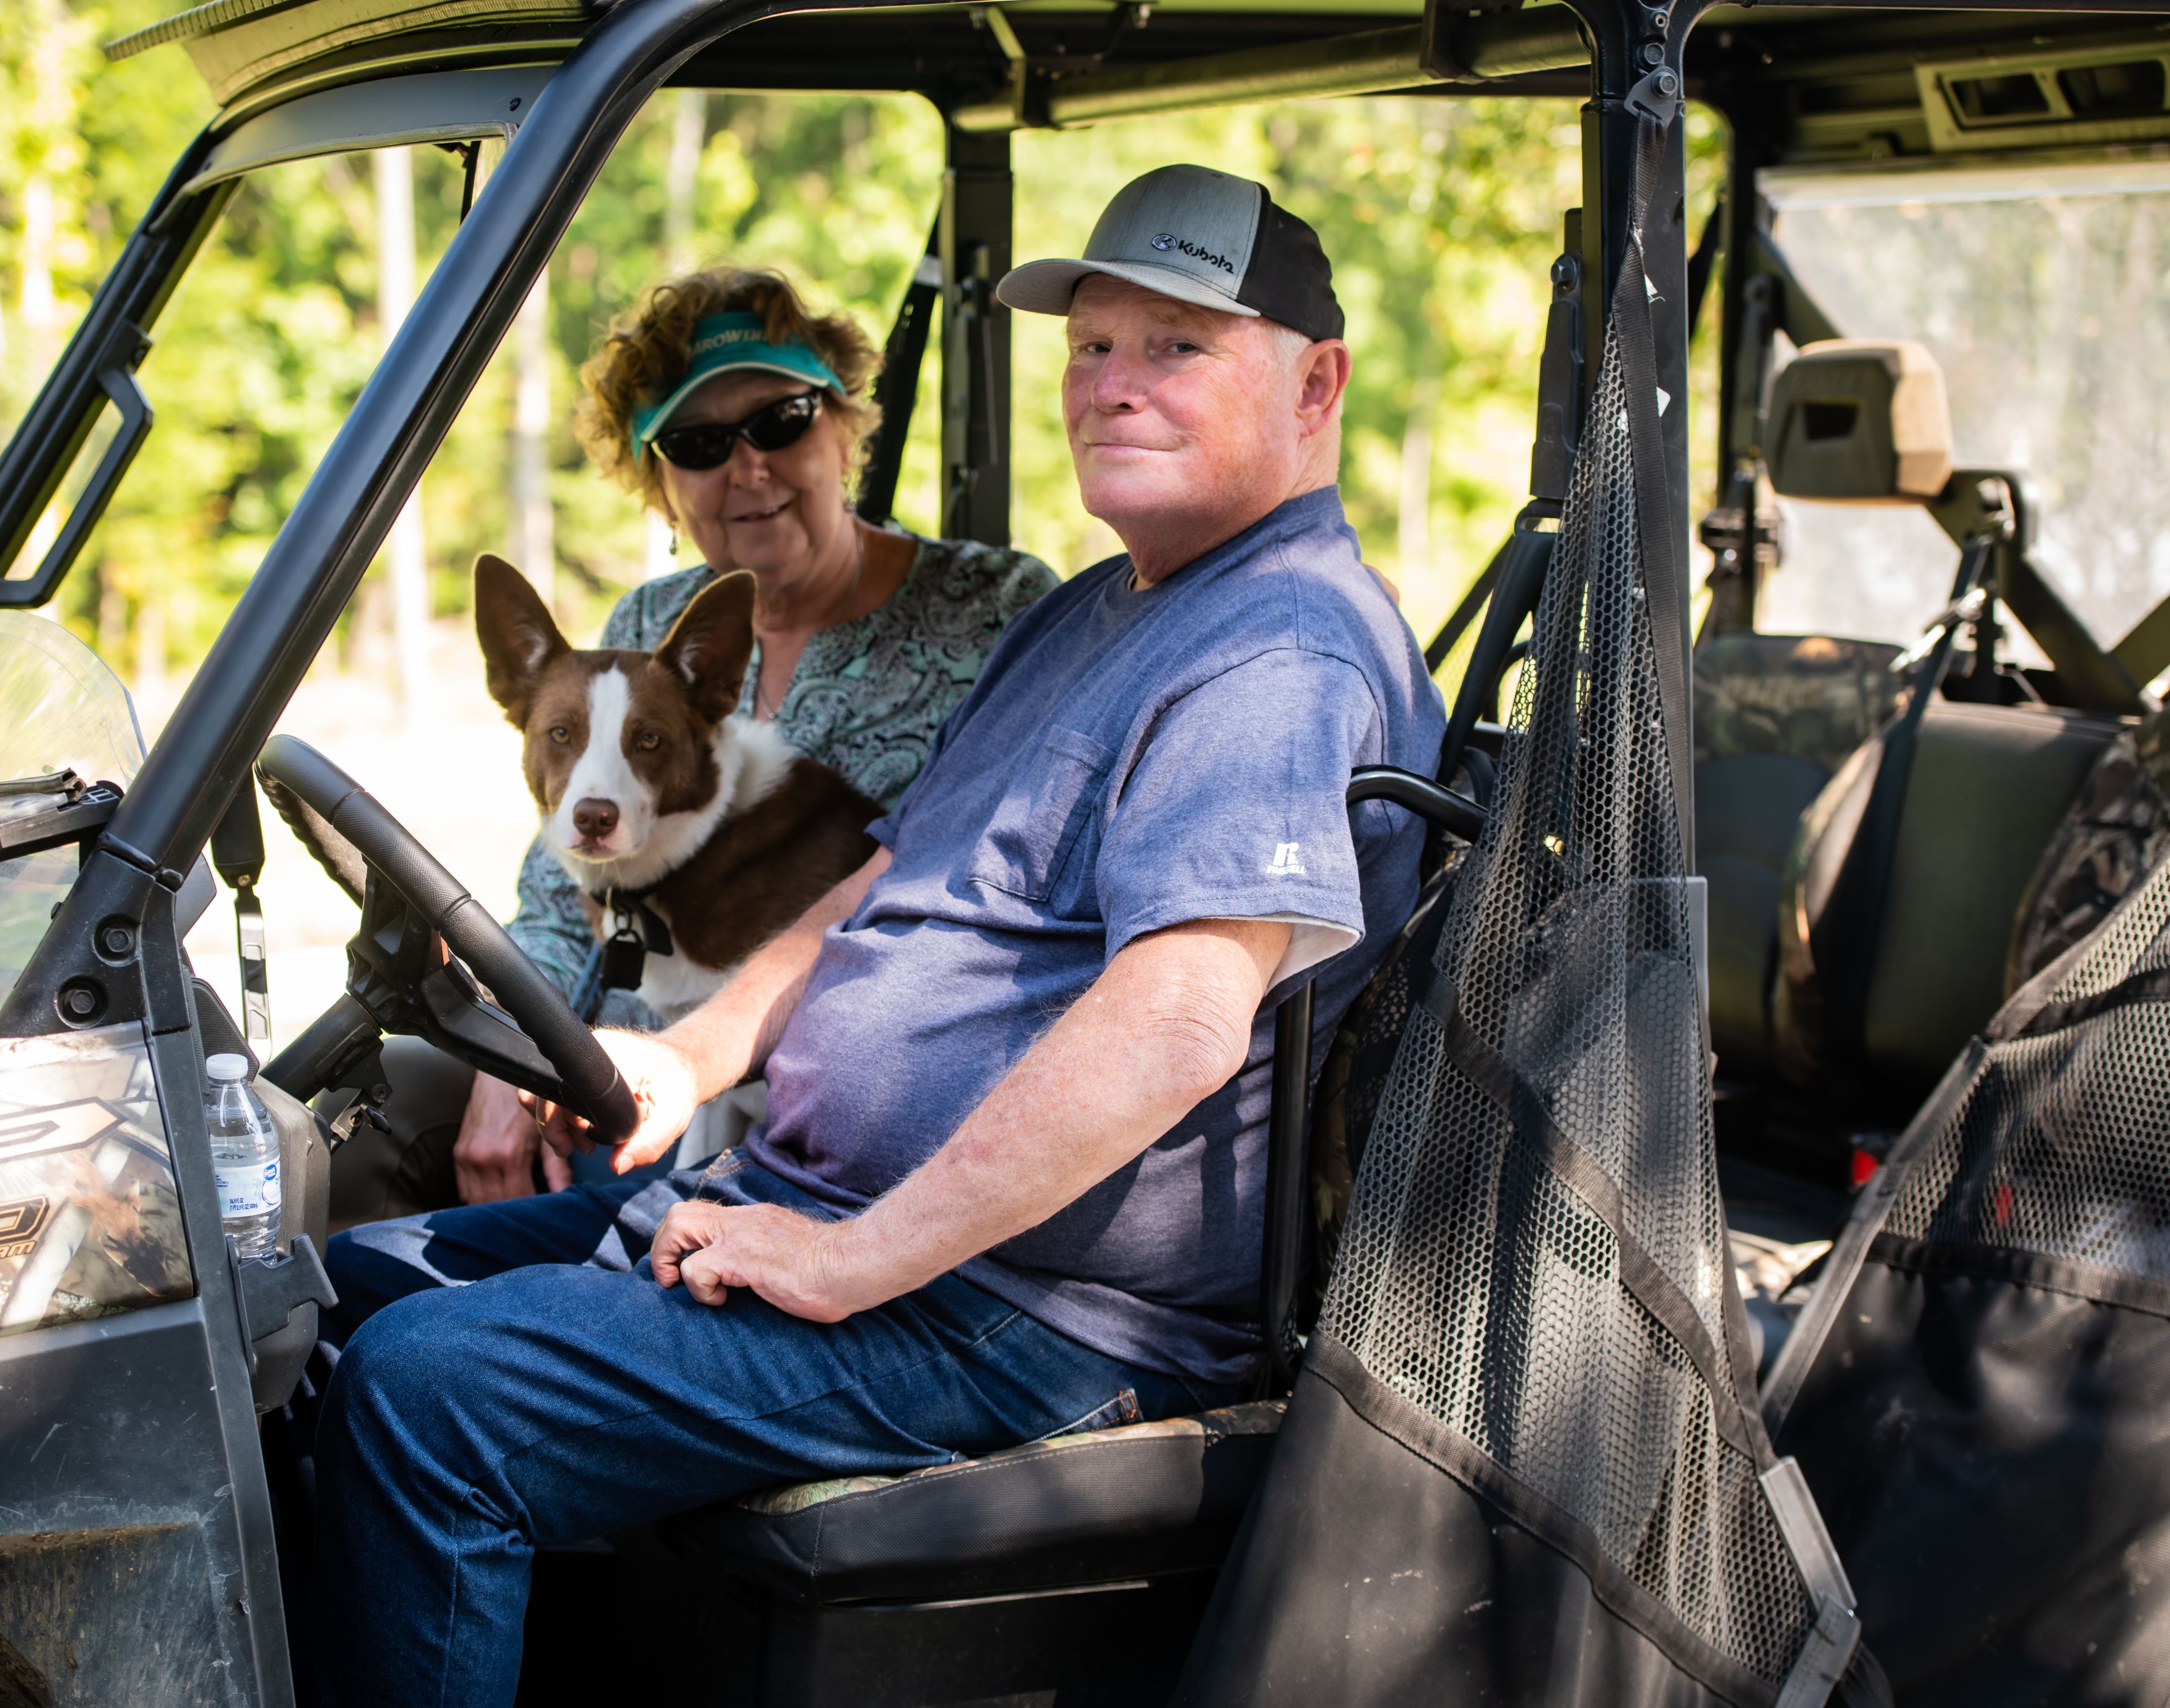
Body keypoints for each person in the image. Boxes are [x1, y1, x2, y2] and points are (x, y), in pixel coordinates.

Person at [309, 164, 1446, 1707]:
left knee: (426, 1394)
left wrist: (852, 1257)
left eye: (1174, 346)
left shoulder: (1276, 649)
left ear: (1315, 382)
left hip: (1016, 1311)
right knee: (328, 1292)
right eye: (1089, 345)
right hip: (823, 1206)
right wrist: (693, 1053)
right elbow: (882, 884)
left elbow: (1176, 1023)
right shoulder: (1108, 608)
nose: (1110, 386)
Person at [332, 266, 1057, 1220]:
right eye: (698, 443)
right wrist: (507, 1067)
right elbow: (559, 901)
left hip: (841, 1113)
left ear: (842, 430)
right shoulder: (651, 621)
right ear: (661, 484)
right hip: (607, 1080)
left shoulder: (997, 611)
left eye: (782, 420)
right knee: (354, 1118)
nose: (748, 468)